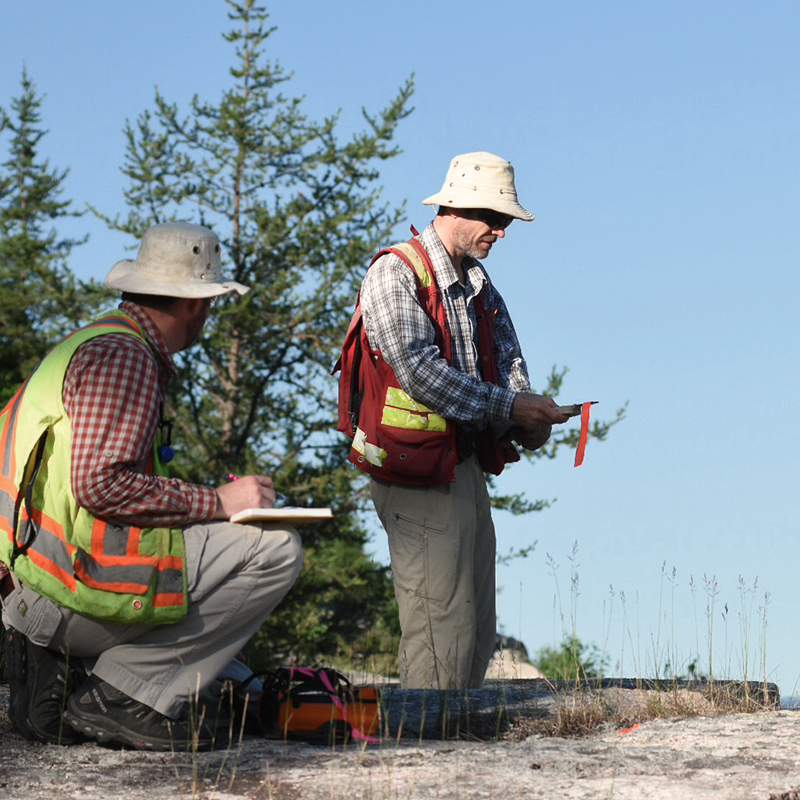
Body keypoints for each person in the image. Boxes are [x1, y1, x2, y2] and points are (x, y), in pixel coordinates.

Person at [0, 221, 303, 749]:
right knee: (275, 548)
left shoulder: (85, 345)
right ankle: (125, 695)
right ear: (197, 304)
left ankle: (77, 675)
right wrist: (220, 501)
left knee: (225, 673)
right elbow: (100, 485)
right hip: (68, 593)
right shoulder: (126, 357)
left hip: (31, 586)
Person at [344, 152, 570, 689]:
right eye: (495, 218)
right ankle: (423, 755)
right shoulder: (394, 272)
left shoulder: (480, 286)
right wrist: (510, 408)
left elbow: (510, 368)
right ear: (458, 206)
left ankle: (453, 745)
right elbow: (420, 373)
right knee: (438, 626)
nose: (502, 232)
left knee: (474, 626)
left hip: (460, 467)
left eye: (507, 220)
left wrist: (528, 419)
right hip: (414, 473)